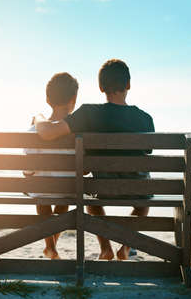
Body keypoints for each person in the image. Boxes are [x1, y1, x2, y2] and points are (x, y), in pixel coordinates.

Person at [33, 59, 155, 260]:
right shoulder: (145, 119)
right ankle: (125, 247)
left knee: (92, 196)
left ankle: (105, 248)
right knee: (144, 201)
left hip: (102, 187)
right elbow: (148, 151)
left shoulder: (88, 113)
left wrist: (37, 117)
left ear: (100, 87)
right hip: (137, 189)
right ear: (128, 85)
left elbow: (48, 132)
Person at [24, 72, 79, 260]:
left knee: (42, 194)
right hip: (68, 190)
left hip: (42, 191)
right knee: (63, 196)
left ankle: (51, 247)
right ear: (74, 99)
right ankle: (51, 247)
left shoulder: (33, 131)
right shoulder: (78, 133)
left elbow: (28, 170)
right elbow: (85, 169)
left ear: (48, 99)